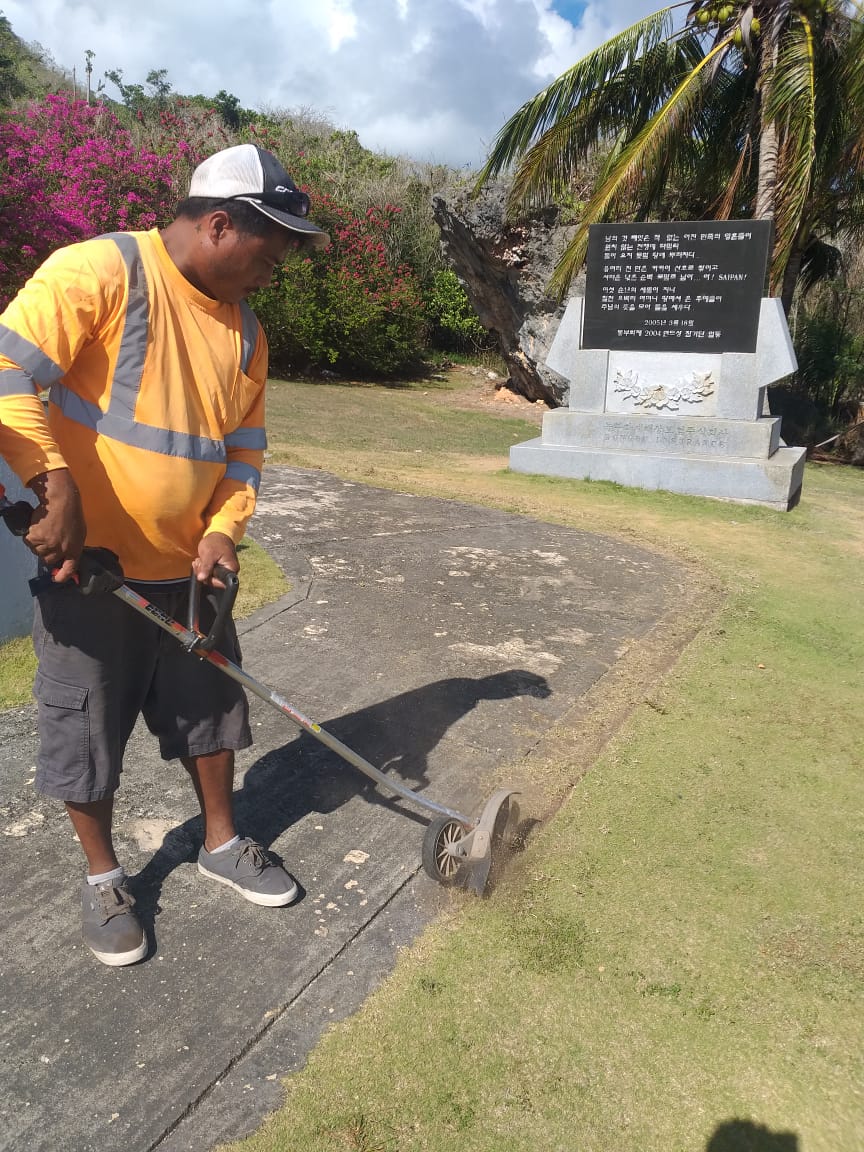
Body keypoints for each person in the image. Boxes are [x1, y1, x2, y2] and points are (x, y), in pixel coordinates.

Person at [0, 143, 329, 966]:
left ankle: (221, 842)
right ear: (220, 225)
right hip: (92, 578)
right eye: (270, 252)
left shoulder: (248, 333)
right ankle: (105, 876)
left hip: (191, 576)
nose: (273, 272)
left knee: (211, 713)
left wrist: (223, 529)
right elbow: (4, 366)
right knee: (87, 727)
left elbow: (244, 453)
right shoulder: (104, 271)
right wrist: (52, 480)